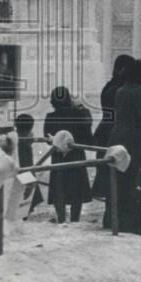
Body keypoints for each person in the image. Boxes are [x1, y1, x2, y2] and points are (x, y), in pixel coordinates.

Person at [107, 59, 141, 235]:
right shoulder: (140, 94)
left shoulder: (121, 91)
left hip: (117, 136)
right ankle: (135, 223)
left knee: (120, 181)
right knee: (134, 182)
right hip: (133, 139)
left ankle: (118, 220)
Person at [91, 54, 134, 227]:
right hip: (116, 134)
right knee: (120, 178)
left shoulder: (109, 86)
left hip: (106, 133)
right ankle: (118, 221)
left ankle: (112, 219)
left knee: (111, 180)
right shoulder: (121, 90)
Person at [42, 86, 93, 223]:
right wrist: (81, 107)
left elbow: (47, 139)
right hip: (77, 154)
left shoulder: (50, 117)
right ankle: (75, 219)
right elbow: (87, 133)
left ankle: (61, 219)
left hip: (58, 156)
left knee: (59, 187)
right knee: (77, 189)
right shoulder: (79, 115)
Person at [14, 113, 44, 217]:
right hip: (26, 166)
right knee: (28, 189)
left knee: (26, 189)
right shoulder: (26, 137)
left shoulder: (17, 136)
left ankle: (24, 212)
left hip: (20, 166)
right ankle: (24, 213)